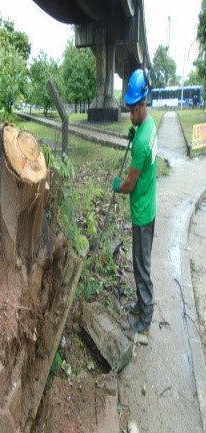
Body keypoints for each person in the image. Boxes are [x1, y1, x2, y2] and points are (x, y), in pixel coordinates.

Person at [113, 68, 157, 335]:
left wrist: (119, 186)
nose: (130, 115)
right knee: (141, 261)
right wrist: (136, 130)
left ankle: (146, 316)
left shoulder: (141, 141)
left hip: (141, 212)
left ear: (143, 103)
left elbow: (129, 183)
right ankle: (141, 304)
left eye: (133, 109)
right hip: (149, 205)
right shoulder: (149, 126)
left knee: (141, 265)